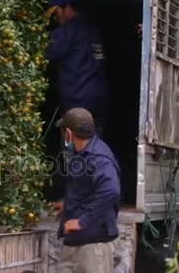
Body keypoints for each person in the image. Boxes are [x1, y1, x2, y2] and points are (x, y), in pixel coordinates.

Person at [53, 107, 121, 273]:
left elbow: (111, 190)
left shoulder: (98, 156)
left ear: (68, 133)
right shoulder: (82, 154)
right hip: (76, 243)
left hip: (92, 246)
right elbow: (89, 189)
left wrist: (82, 221)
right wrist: (68, 205)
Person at [46, 0, 109, 137]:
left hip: (78, 104)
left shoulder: (67, 32)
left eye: (57, 14)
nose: (56, 19)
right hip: (99, 102)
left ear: (67, 8)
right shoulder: (94, 30)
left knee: (74, 152)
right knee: (93, 149)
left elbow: (46, 54)